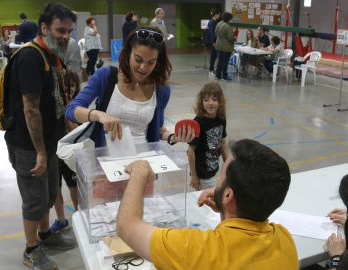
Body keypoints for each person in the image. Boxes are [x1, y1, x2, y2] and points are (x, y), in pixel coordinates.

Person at [116, 139, 298, 269]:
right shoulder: (285, 239)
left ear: (228, 195)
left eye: (221, 177)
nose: (217, 182)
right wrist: (227, 209)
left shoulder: (195, 250)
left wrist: (139, 172)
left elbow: (127, 226)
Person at [5, 3, 77, 269]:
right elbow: (30, 108)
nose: (66, 36)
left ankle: (45, 234)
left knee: (48, 194)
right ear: (44, 27)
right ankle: (31, 249)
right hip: (29, 146)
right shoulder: (31, 57)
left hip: (49, 142)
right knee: (35, 200)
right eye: (61, 30)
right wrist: (41, 153)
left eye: (69, 31)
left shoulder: (51, 55)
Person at [65, 26, 194, 147]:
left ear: (158, 62)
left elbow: (158, 129)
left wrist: (173, 137)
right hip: (105, 160)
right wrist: (98, 115)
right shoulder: (106, 76)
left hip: (143, 161)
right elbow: (71, 110)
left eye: (151, 62)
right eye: (138, 60)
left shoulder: (161, 90)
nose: (143, 68)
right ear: (128, 54)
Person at [51, 68, 81, 233]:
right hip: (55, 152)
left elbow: (76, 132)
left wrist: (69, 109)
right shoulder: (55, 105)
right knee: (55, 186)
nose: (69, 90)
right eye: (65, 87)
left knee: (74, 187)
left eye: (72, 86)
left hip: (71, 153)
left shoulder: (78, 107)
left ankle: (79, 216)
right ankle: (61, 219)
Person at [188, 82, 228, 191]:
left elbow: (223, 144)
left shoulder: (221, 119)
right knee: (212, 198)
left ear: (220, 101)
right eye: (206, 100)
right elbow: (191, 150)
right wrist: (194, 175)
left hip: (213, 167)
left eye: (214, 99)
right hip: (202, 171)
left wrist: (227, 166)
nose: (210, 103)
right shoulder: (198, 122)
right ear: (201, 102)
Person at [214, 12, 234, 81]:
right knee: (225, 62)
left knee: (220, 61)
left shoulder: (218, 24)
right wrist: (234, 38)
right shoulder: (227, 26)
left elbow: (216, 32)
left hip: (218, 45)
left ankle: (217, 75)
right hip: (226, 46)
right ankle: (224, 76)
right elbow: (230, 38)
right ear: (228, 18)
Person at [207, 8, 220, 76]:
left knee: (215, 55)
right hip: (214, 41)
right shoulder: (212, 22)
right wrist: (213, 41)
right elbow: (212, 33)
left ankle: (212, 69)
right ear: (216, 14)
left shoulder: (216, 22)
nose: (219, 16)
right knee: (213, 55)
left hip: (216, 40)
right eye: (219, 14)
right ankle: (211, 70)